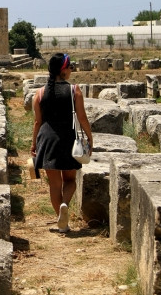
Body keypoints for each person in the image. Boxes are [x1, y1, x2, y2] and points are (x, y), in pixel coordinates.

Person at [30, 53, 93, 233]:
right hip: (68, 138)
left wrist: (33, 144)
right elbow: (81, 117)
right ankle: (65, 204)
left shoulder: (40, 93)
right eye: (70, 66)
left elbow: (37, 122)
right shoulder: (75, 90)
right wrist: (90, 137)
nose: (72, 69)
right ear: (63, 69)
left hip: (47, 140)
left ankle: (62, 222)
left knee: (55, 185)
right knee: (70, 180)